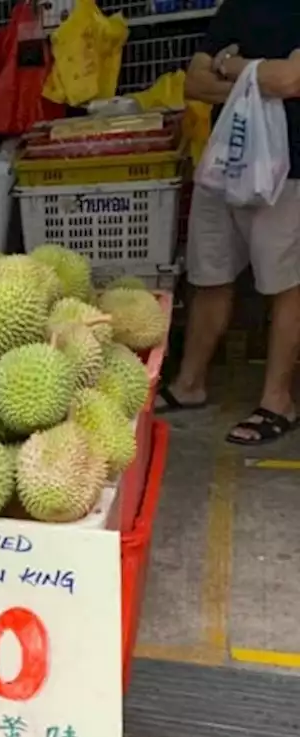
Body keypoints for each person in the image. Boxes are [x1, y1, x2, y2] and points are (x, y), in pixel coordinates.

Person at [172, 1, 300, 445]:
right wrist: (257, 81)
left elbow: (293, 79)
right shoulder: (236, 7)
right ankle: (188, 384)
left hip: (287, 169)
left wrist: (231, 65)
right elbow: (193, 81)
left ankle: (278, 400)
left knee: (286, 286)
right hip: (226, 164)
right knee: (210, 273)